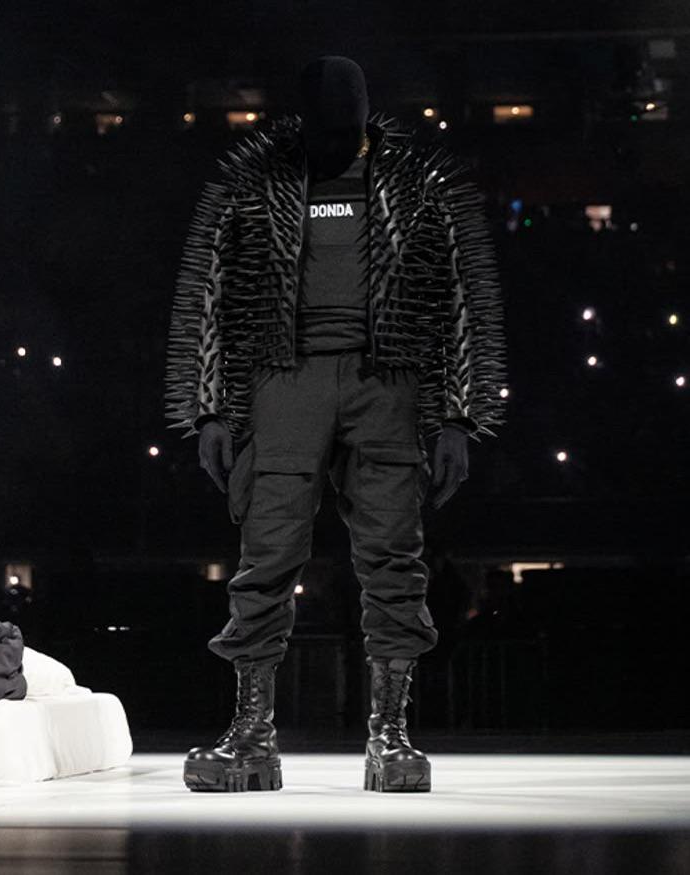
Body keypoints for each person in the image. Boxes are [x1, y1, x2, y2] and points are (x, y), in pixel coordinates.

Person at [164, 55, 508, 793]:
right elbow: (210, 297)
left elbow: (459, 300)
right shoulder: (255, 183)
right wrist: (210, 408)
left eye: (344, 130)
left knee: (393, 557)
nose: (333, 142)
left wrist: (457, 416)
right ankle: (251, 736)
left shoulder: (414, 185)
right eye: (322, 130)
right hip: (282, 380)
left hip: (387, 382)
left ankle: (391, 736)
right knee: (266, 556)